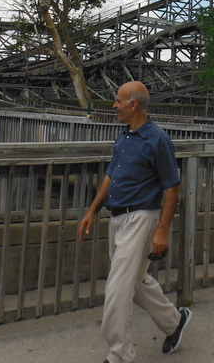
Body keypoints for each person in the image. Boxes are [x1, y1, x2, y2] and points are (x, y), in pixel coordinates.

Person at [77, 81, 192, 363]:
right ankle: (175, 322)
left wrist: (162, 230)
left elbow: (172, 187)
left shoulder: (158, 140)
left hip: (141, 218)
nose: (114, 105)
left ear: (133, 104)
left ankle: (119, 354)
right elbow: (111, 176)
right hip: (117, 217)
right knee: (136, 282)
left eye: (118, 101)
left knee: (117, 288)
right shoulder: (124, 136)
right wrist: (92, 210)